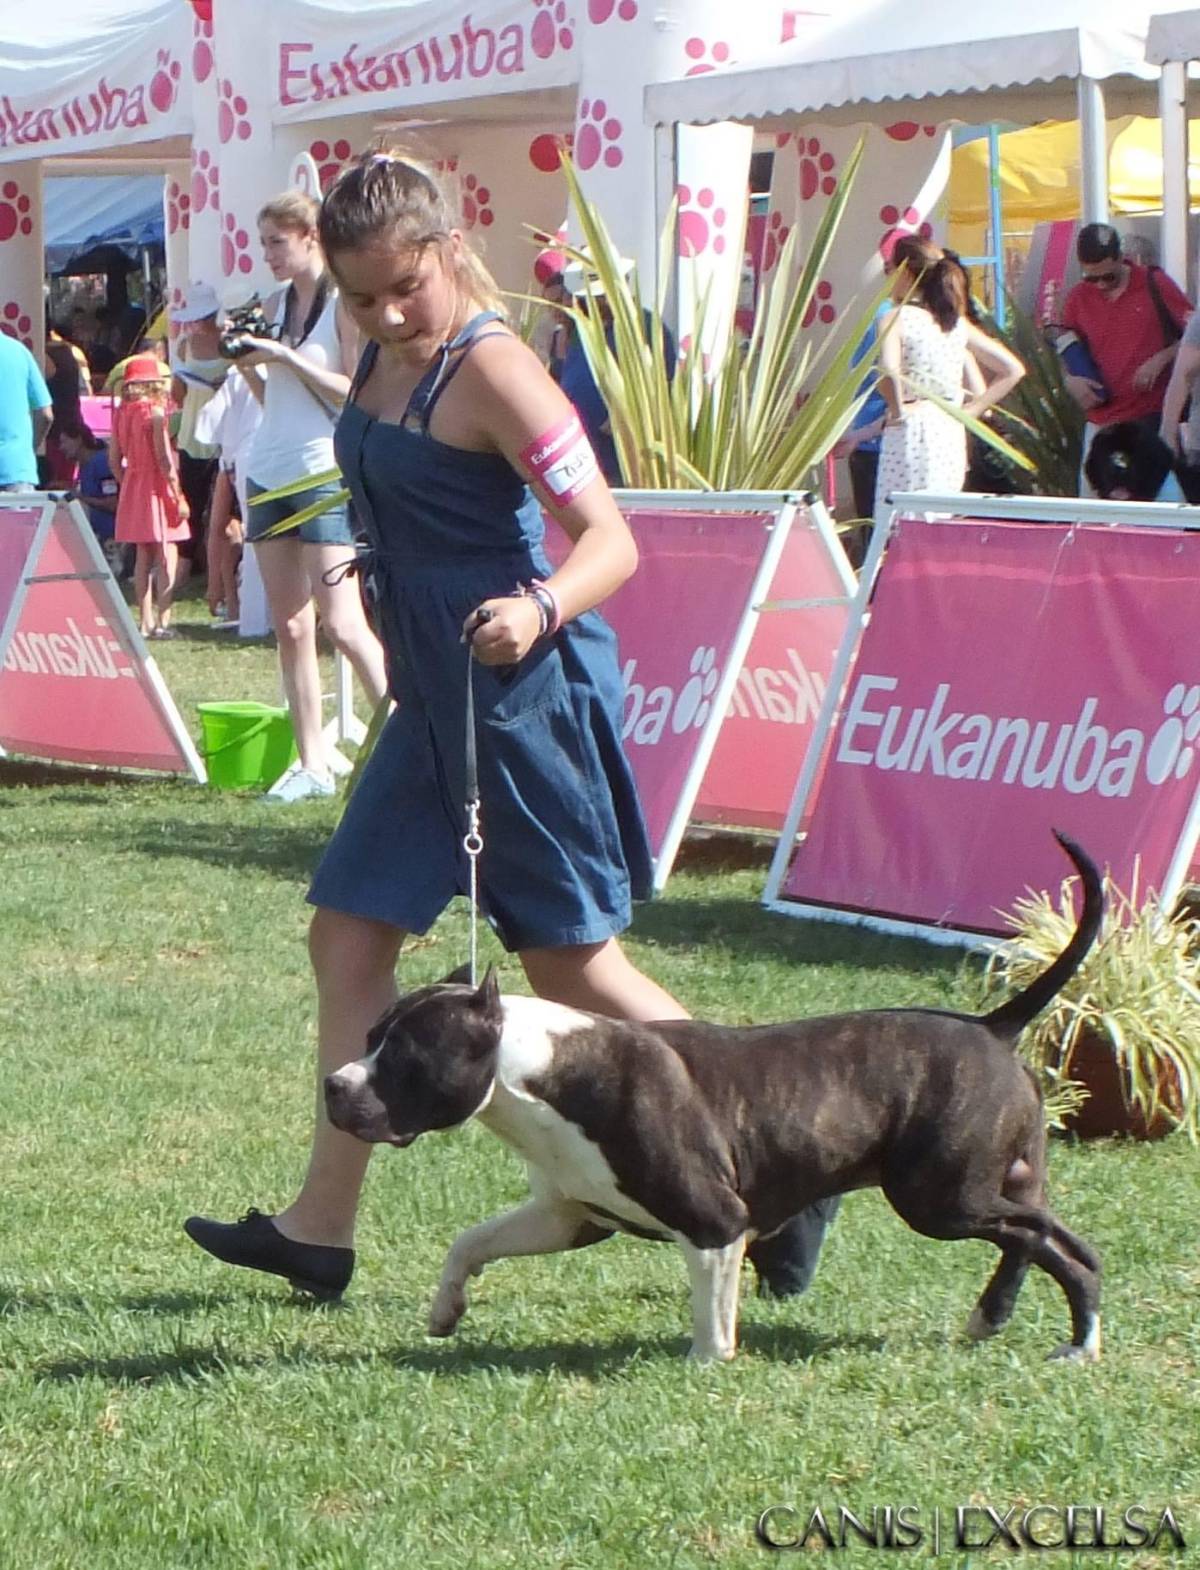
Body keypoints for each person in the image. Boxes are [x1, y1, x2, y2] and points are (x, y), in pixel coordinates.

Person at [183, 149, 835, 1304]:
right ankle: (320, 1229)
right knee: (345, 938)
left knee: (573, 967)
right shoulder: (378, 356)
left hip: (517, 696)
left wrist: (536, 608)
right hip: (431, 700)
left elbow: (610, 537)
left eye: (405, 288)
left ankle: (784, 1153)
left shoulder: (498, 368)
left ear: (445, 252)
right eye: (362, 295)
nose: (387, 313)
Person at [231, 188, 388, 802]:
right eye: (263, 241)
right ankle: (311, 758)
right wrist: (249, 361)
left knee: (343, 623)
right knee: (289, 626)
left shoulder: (342, 307)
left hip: (321, 470)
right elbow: (278, 402)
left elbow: (350, 394)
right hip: (268, 466)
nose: (268, 253)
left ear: (310, 238)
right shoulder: (273, 305)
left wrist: (285, 357)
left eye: (278, 241)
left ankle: (406, 739)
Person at [874, 235, 1025, 519]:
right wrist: (973, 410)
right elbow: (1012, 368)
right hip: (949, 426)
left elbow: (887, 371)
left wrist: (897, 410)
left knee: (898, 520)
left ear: (905, 273)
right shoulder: (954, 322)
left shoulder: (895, 317)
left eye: (890, 269)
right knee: (941, 519)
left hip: (911, 425)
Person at [1059, 223, 1191, 495]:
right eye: (1091, 277)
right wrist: (1070, 381)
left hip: (1148, 421)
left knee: (1156, 509)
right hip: (1102, 425)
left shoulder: (1155, 284)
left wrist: (1161, 358)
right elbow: (1066, 349)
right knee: (1099, 513)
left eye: (1108, 276)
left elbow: (1193, 339)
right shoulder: (1077, 299)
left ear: (1121, 258)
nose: (1101, 285)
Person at [558, 249, 676, 484]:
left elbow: (658, 388)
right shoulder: (583, 330)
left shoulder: (643, 327)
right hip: (580, 460)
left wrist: (617, 422)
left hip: (624, 465)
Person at [108, 353, 190, 639]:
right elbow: (164, 459)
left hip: (134, 483)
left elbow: (114, 459)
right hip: (157, 484)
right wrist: (177, 494)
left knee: (142, 554)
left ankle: (143, 621)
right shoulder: (154, 414)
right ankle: (164, 620)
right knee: (167, 552)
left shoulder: (120, 413)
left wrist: (127, 482)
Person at [170, 282, 229, 601]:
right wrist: (181, 381)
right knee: (191, 505)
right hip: (193, 432)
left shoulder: (229, 342)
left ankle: (217, 579)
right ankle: (184, 570)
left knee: (221, 511)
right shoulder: (184, 344)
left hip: (222, 432)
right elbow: (177, 396)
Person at [60, 419, 126, 574]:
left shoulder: (101, 462)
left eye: (64, 442)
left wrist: (78, 496)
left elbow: (113, 503)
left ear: (78, 439)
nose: (61, 448)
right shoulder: (84, 466)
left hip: (111, 537)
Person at [0, 330, 53, 492]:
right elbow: (45, 415)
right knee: (19, 518)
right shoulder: (20, 352)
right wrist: (27, 450)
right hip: (16, 469)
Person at [1084, 419, 1184, 502]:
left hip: (1157, 493)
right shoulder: (1102, 443)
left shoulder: (1158, 460)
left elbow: (1164, 461)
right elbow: (1092, 469)